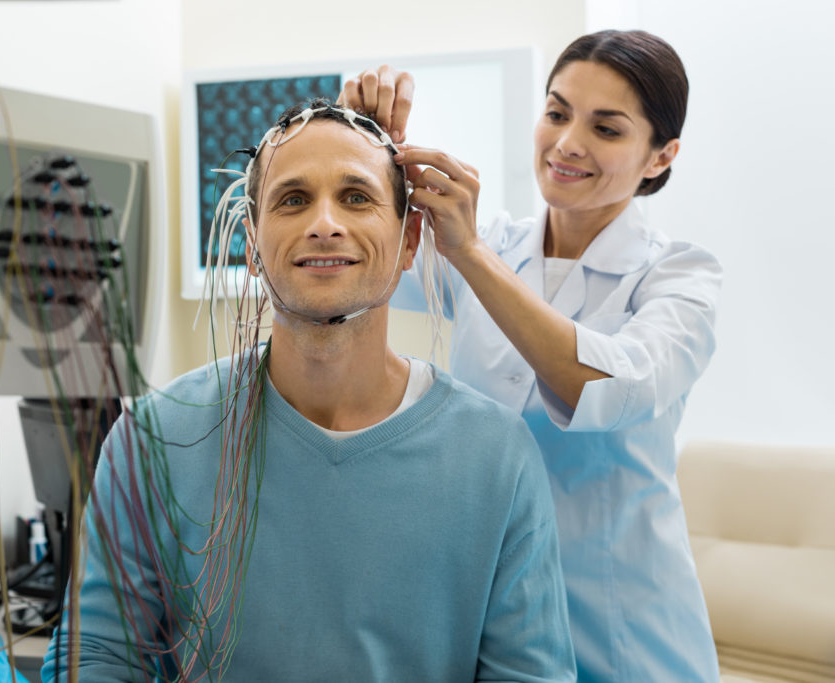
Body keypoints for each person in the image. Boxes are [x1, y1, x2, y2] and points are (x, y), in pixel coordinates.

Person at [41, 99, 576, 681]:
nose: (325, 223)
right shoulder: (154, 439)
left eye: (356, 197)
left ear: (409, 241)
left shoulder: (496, 457)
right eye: (293, 200)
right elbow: (96, 659)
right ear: (251, 242)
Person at [341, 30, 722, 682]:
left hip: (623, 629)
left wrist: (471, 256)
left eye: (606, 128)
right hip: (491, 616)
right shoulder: (493, 245)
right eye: (556, 112)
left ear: (661, 156)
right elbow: (356, 266)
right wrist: (366, 145)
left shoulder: (681, 277)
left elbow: (608, 385)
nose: (569, 142)